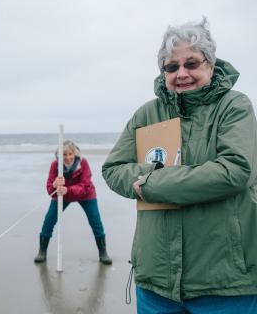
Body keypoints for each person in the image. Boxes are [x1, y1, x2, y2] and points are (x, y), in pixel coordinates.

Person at [102, 18, 257, 313]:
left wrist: (149, 183)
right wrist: (143, 177)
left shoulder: (234, 106)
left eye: (192, 64)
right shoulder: (148, 113)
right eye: (172, 67)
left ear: (210, 65)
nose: (182, 73)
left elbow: (234, 171)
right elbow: (113, 169)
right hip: (155, 279)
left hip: (225, 279)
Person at [34, 139, 112, 265]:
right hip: (62, 195)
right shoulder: (55, 165)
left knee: (95, 221)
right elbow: (50, 188)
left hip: (85, 195)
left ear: (75, 153)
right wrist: (54, 185)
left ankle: (103, 253)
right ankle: (42, 251)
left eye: (70, 154)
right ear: (60, 155)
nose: (68, 157)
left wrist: (68, 190)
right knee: (49, 220)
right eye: (64, 154)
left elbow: (85, 185)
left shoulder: (83, 163)